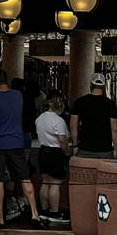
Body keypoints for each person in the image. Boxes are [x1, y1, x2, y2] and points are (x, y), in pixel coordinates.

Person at [0, 69, 42, 228]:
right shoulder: (18, 96)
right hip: (17, 142)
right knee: (24, 177)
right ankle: (35, 213)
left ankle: (0, 218)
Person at [35, 93, 71, 223]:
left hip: (43, 151)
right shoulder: (58, 120)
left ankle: (44, 211)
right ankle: (54, 212)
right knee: (56, 183)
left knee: (45, 182)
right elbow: (62, 139)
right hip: (55, 153)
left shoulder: (40, 118)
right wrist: (66, 152)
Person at [69, 74, 117, 159]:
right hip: (105, 150)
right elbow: (115, 130)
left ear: (90, 85)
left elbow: (73, 126)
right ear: (104, 87)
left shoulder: (80, 102)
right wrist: (115, 149)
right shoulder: (110, 104)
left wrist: (75, 145)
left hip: (84, 148)